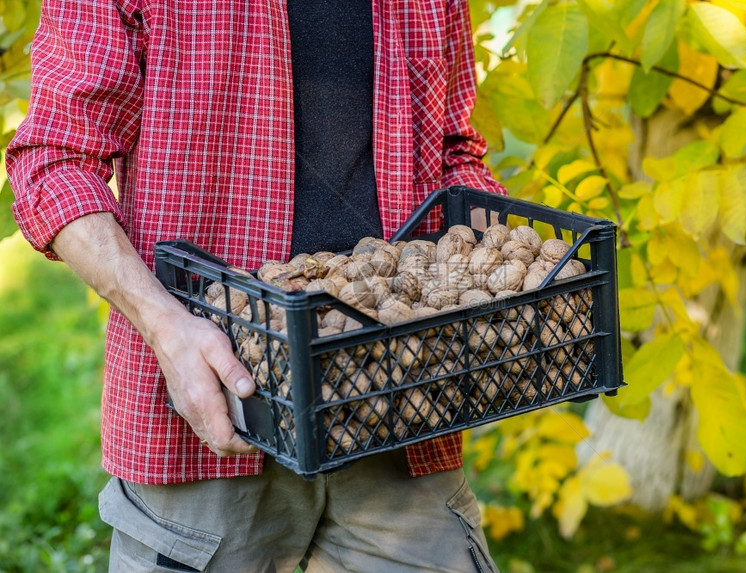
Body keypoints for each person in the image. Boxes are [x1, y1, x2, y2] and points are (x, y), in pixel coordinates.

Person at [6, 0, 506, 571]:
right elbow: (57, 158)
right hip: (210, 408)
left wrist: (498, 283)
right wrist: (167, 329)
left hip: (399, 400)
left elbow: (451, 150)